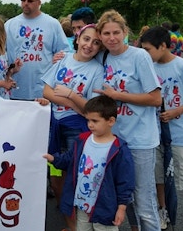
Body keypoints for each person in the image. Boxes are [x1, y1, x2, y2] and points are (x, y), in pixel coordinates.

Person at [94, 9, 162, 231]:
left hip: (140, 140)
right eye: (106, 33)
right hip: (114, 141)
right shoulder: (101, 57)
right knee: (123, 198)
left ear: (125, 32)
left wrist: (118, 96)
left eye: (116, 32)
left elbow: (155, 98)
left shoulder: (139, 56)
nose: (111, 38)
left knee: (144, 200)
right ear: (100, 35)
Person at [139, 26, 183, 228]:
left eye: (148, 49)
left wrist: (177, 111)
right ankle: (163, 209)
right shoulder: (148, 66)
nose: (146, 54)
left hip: (179, 133)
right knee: (158, 173)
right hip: (154, 132)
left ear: (163, 46)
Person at [40, 24, 105, 231]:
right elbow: (47, 91)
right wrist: (72, 104)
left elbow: (91, 110)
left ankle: (78, 226)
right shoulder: (64, 60)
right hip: (54, 124)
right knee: (55, 178)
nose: (89, 45)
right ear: (77, 39)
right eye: (86, 39)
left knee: (72, 180)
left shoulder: (97, 70)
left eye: (96, 43)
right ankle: (71, 223)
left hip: (76, 130)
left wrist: (69, 95)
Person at [43, 95, 135, 231]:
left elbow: (125, 181)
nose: (90, 124)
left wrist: (121, 207)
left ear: (111, 121)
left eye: (95, 121)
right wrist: (54, 159)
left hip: (105, 208)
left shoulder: (118, 148)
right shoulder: (82, 139)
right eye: (88, 120)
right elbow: (69, 159)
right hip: (82, 204)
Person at [4, 0, 70, 100]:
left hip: (42, 92)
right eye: (23, 0)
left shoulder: (52, 24)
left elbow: (64, 51)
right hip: (14, 90)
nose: (25, 3)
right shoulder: (10, 25)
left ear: (39, 3)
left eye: (30, 1)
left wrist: (59, 57)